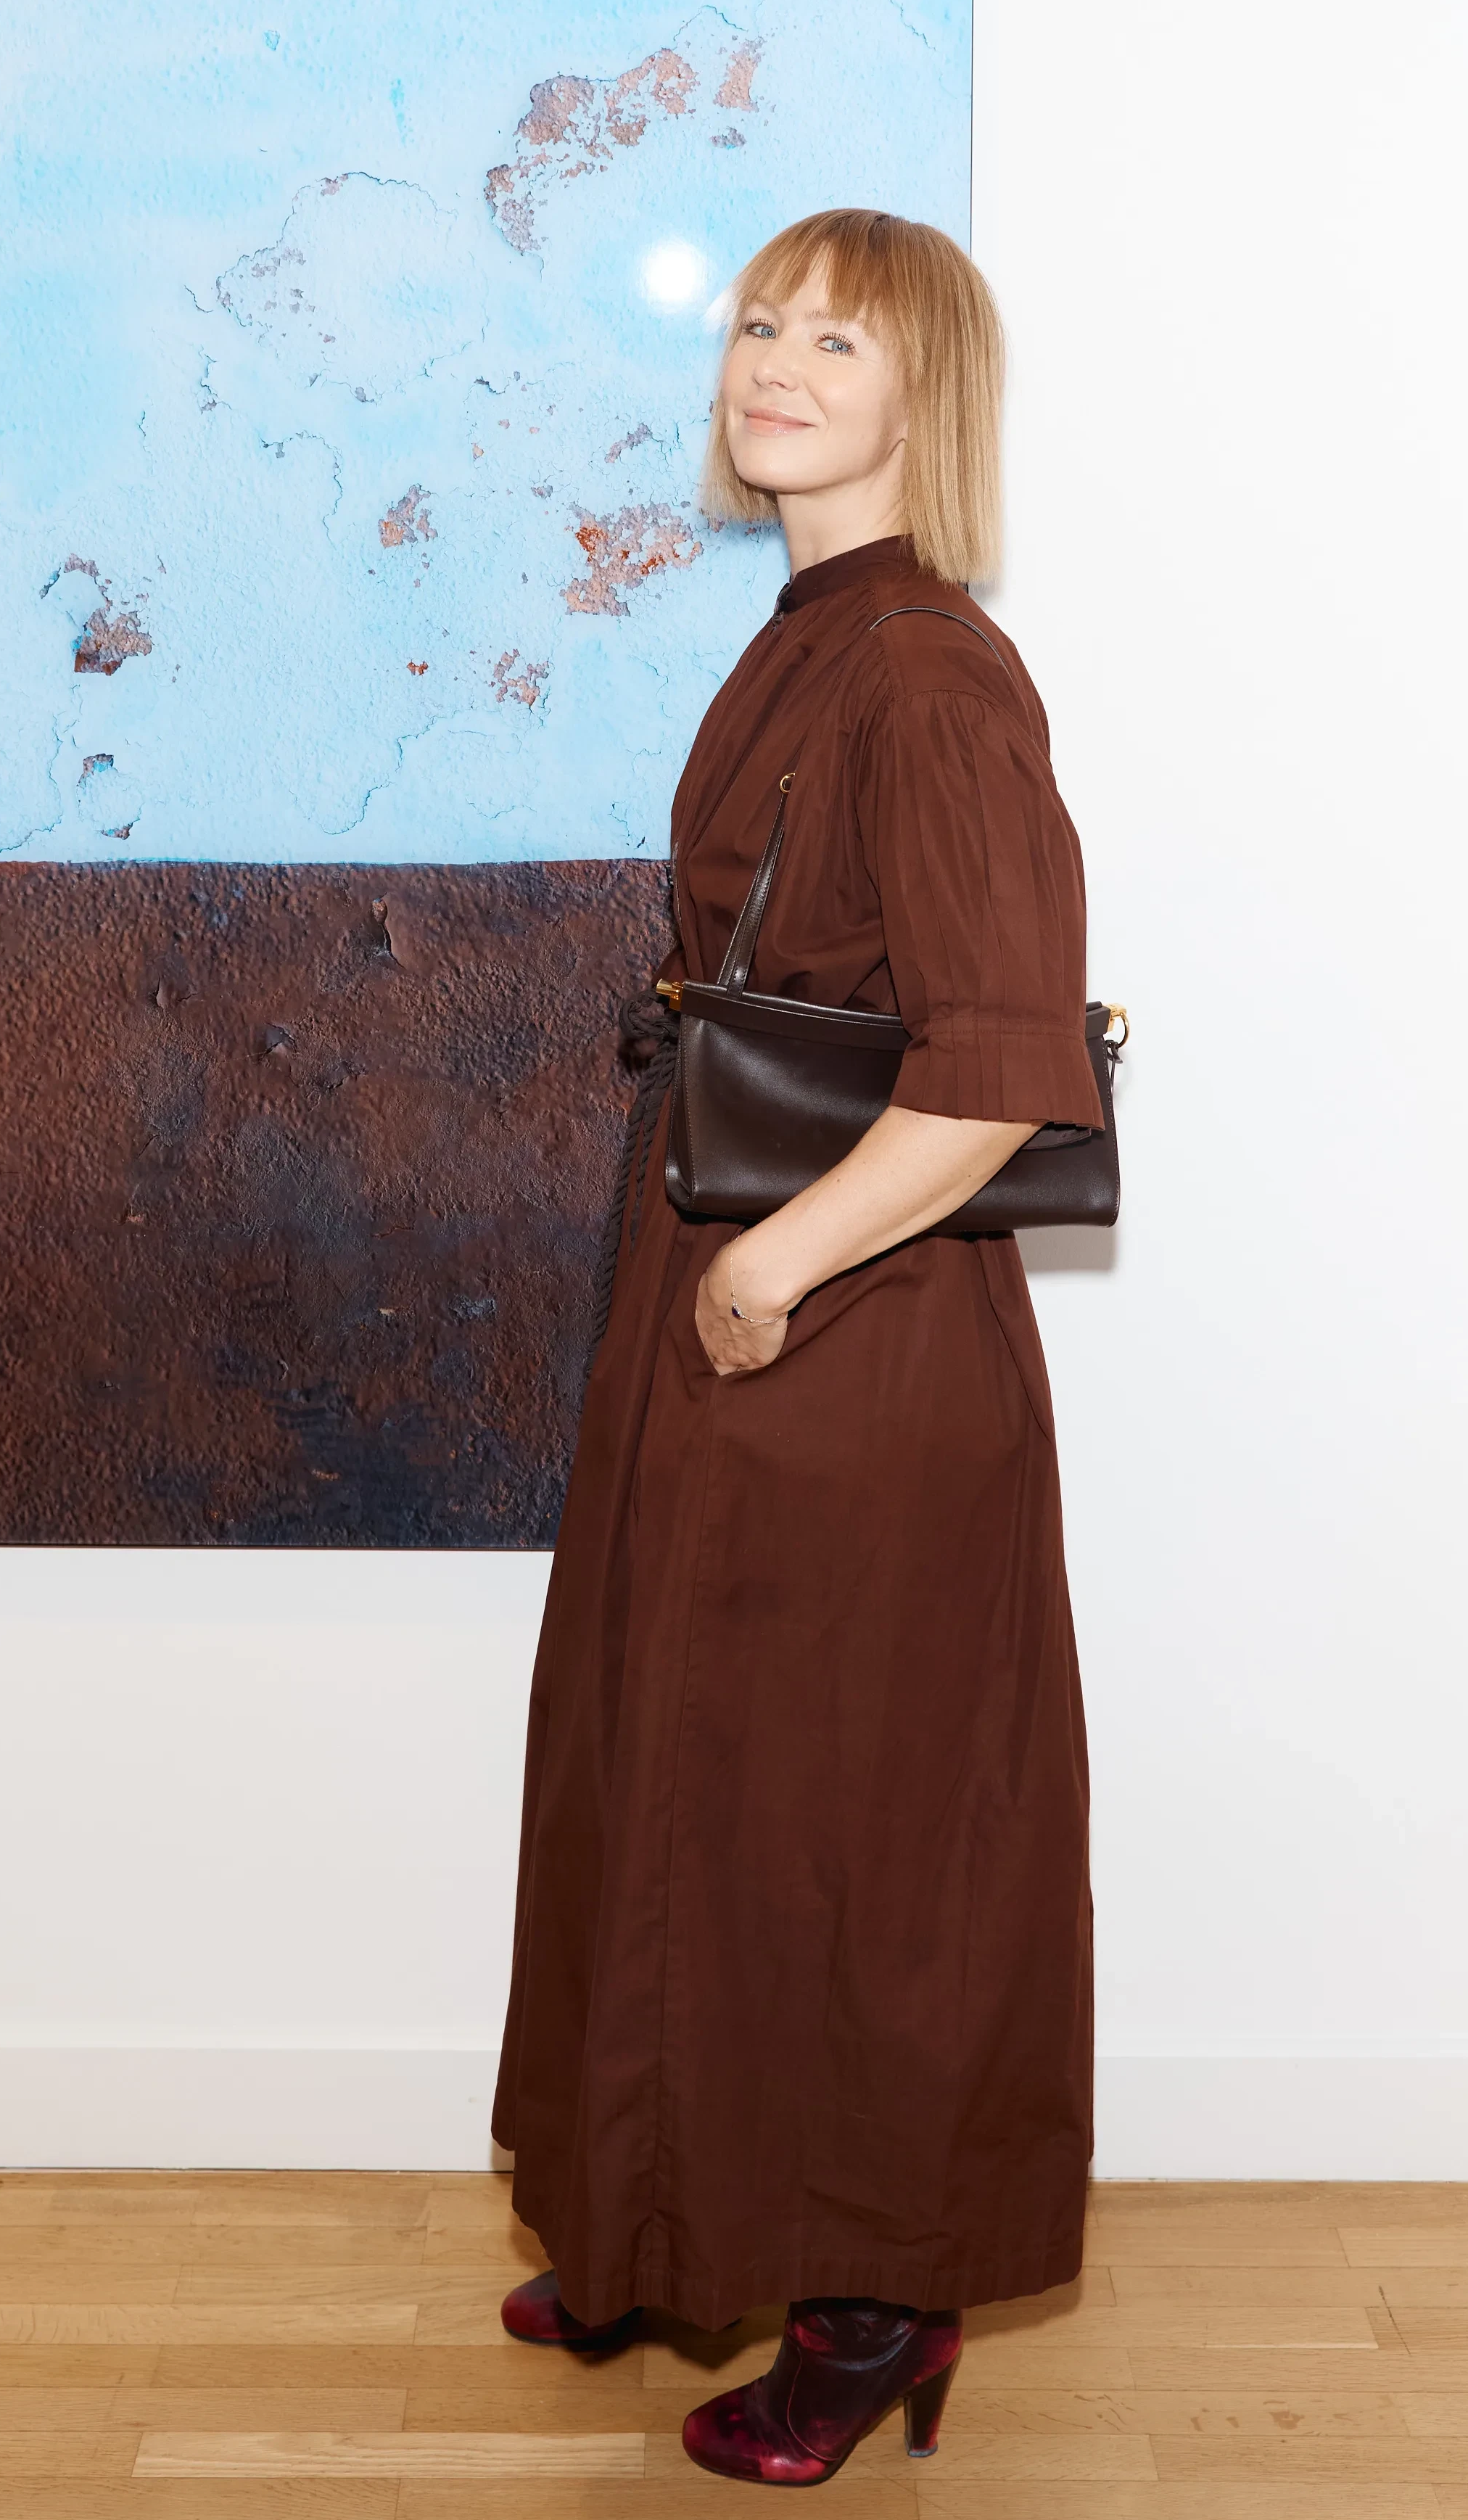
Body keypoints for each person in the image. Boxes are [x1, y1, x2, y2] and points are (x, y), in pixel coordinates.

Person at [490, 207, 1104, 2486]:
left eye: (838, 336)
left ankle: (870, 2304)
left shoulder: (931, 676)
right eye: (760, 320)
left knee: (844, 1829)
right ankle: (667, 2218)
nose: (774, 360)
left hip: (851, 1345)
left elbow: (1003, 1062)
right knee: (690, 1779)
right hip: (741, 1316)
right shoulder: (813, 632)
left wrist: (778, 1266)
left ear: (926, 390)